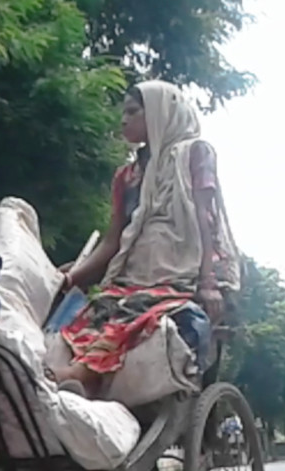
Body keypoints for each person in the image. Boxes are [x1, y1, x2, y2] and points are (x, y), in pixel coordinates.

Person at [49, 80, 241, 398]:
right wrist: (68, 279)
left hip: (188, 272)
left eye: (133, 112)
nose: (123, 120)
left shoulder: (195, 153)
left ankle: (80, 375)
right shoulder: (126, 176)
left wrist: (207, 282)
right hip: (135, 273)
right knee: (90, 314)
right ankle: (84, 381)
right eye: (123, 112)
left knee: (134, 312)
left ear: (159, 113)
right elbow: (113, 242)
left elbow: (204, 219)